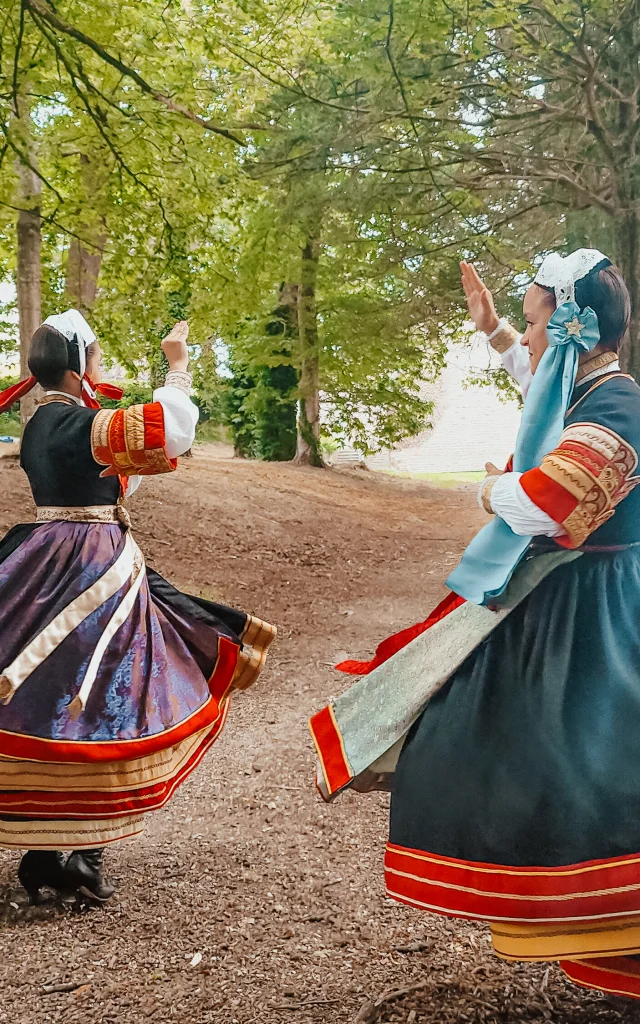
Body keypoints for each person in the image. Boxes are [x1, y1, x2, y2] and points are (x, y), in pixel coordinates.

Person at [310, 249, 640, 1000]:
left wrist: (490, 491)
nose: (526, 340)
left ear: (570, 330)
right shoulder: (593, 389)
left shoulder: (617, 407)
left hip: (598, 606)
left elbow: (544, 505)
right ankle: (589, 907)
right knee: (561, 758)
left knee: (590, 762)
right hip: (582, 594)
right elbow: (540, 394)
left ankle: (595, 899)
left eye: (532, 324)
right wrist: (492, 330)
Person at [0, 310, 275, 904]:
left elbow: (108, 477)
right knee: (109, 697)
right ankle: (78, 855)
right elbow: (170, 432)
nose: (99, 370)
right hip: (92, 567)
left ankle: (49, 852)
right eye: (95, 360)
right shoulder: (81, 422)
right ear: (78, 369)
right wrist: (177, 368)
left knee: (49, 698)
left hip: (40, 562)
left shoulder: (40, 426)